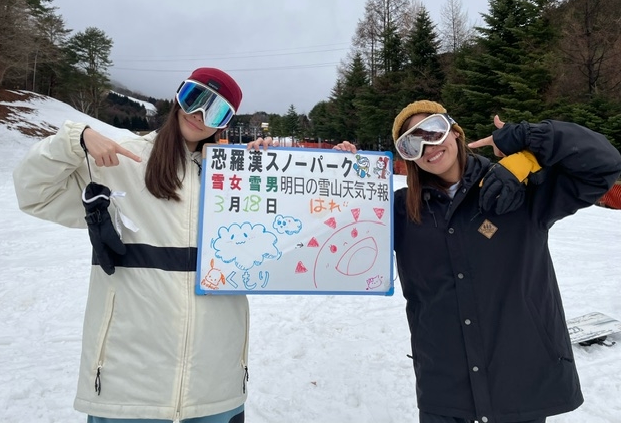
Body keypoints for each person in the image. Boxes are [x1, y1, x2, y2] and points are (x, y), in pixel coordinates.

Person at [250, 99, 621, 423]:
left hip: (520, 382)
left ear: (455, 133)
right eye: (411, 143)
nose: (427, 146)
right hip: (447, 392)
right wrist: (319, 172)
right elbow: (310, 231)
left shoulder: (519, 192)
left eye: (433, 130)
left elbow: (604, 164)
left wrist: (526, 142)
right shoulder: (396, 212)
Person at [13, 68, 248, 423]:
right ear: (177, 98)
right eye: (194, 100)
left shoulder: (240, 180)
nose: (199, 117)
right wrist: (75, 139)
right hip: (128, 387)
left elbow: (305, 231)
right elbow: (33, 192)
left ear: (225, 123)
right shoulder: (121, 161)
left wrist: (335, 168)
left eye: (215, 112)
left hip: (214, 388)